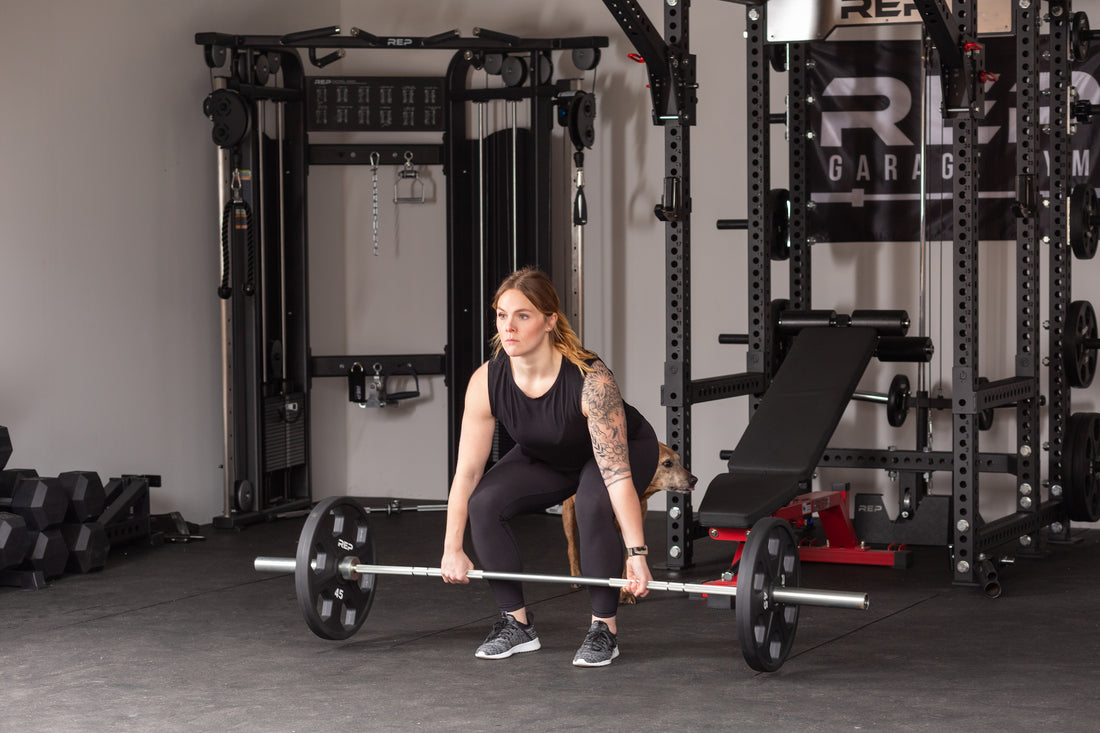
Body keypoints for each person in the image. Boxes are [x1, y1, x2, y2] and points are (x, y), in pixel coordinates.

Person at [440, 267, 658, 667]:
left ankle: (603, 629)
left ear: (549, 321)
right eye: (502, 315)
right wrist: (452, 546)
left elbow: (616, 476)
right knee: (484, 502)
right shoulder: (486, 381)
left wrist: (637, 553)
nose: (509, 326)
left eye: (523, 315)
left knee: (592, 503)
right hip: (549, 456)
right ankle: (516, 624)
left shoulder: (592, 380)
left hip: (618, 454)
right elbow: (468, 473)